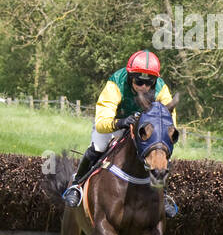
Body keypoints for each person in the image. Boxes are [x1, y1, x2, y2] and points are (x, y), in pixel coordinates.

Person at [62, 50, 177, 209]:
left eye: (149, 83)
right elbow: (102, 122)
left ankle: (162, 195)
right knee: (98, 147)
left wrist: (165, 137)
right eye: (138, 82)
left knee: (161, 153)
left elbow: (169, 119)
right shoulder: (115, 83)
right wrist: (121, 122)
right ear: (130, 78)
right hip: (115, 124)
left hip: (144, 130)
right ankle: (76, 185)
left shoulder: (161, 89)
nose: (144, 87)